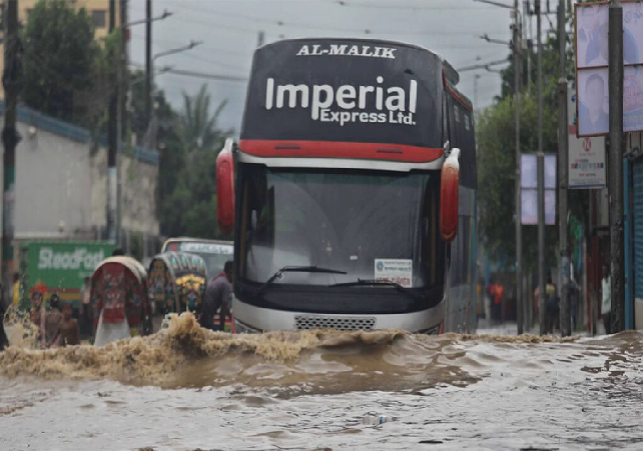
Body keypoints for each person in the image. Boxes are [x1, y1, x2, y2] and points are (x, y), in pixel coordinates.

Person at [200, 261, 233, 331]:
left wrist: (231, 318)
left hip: (203, 310)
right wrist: (221, 329)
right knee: (213, 333)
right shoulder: (225, 284)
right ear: (231, 272)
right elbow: (223, 309)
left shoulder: (218, 278)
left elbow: (225, 308)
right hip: (207, 312)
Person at [601, 264, 611, 334]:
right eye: (603, 270)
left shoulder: (611, 280)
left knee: (609, 327)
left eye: (605, 270)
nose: (604, 272)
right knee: (606, 327)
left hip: (610, 307)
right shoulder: (603, 281)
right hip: (604, 308)